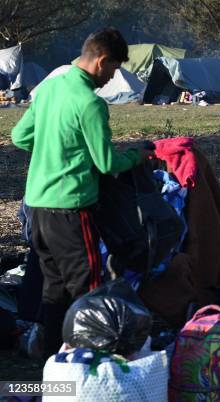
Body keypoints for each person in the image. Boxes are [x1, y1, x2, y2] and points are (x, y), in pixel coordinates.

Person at [11, 28, 153, 357]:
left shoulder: (49, 88)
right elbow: (105, 163)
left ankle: (51, 363)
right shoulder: (90, 103)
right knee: (87, 291)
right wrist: (137, 155)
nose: (112, 77)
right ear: (102, 61)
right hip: (70, 211)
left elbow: (20, 137)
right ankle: (88, 364)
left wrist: (53, 146)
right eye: (114, 69)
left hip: (37, 209)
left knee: (54, 289)